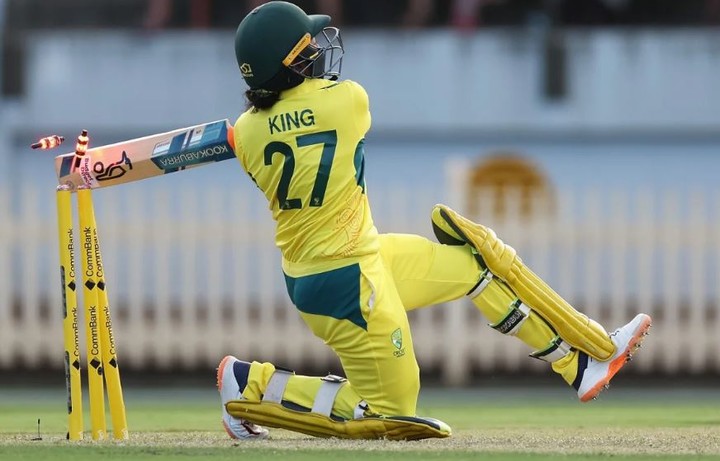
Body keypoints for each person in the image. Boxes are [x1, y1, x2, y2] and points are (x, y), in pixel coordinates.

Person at [217, 0, 652, 441]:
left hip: (344, 260)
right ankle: (250, 382)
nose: (317, 53)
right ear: (289, 64)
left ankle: (577, 365)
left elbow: (272, 127)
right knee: (393, 410)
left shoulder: (248, 134)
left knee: (472, 267)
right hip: (346, 280)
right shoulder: (347, 100)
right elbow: (309, 116)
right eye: (306, 49)